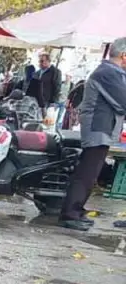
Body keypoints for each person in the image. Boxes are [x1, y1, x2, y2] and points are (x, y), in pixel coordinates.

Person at [59, 38, 126, 231]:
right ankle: (70, 213)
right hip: (98, 128)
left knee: (91, 172)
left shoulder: (112, 72)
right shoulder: (108, 73)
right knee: (87, 172)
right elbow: (122, 101)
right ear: (123, 55)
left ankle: (76, 211)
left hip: (102, 128)